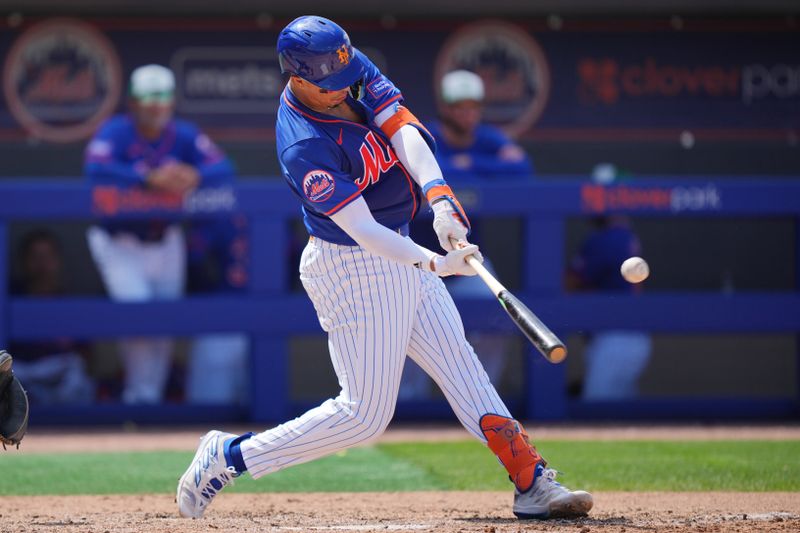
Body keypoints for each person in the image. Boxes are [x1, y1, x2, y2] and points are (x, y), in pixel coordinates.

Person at [176, 16, 592, 521]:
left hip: (399, 245)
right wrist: (436, 263)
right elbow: (362, 230)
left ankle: (531, 481)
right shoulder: (301, 142)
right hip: (353, 265)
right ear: (298, 77)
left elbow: (404, 130)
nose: (340, 87)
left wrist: (439, 200)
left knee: (463, 371)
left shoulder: (348, 65)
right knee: (364, 417)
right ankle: (228, 456)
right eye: (326, 83)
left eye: (342, 75)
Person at [84, 64, 236, 404]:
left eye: (163, 99)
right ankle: (140, 398)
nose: (156, 107)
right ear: (133, 103)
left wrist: (191, 174)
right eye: (149, 100)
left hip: (166, 239)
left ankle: (148, 400)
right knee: (138, 314)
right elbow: (96, 168)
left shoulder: (182, 134)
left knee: (165, 322)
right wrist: (147, 178)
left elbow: (224, 168)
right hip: (119, 240)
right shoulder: (116, 131)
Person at [400, 70, 534, 399]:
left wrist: (469, 161)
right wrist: (475, 166)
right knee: (406, 341)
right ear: (445, 108)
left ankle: (481, 398)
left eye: (472, 106)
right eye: (458, 106)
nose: (466, 113)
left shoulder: (486, 138)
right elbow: (439, 169)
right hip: (417, 262)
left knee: (496, 316)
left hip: (464, 261)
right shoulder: (425, 134)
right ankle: (408, 410)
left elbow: (521, 167)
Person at [566, 165, 653, 399]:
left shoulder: (607, 238)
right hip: (630, 338)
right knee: (620, 415)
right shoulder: (626, 235)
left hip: (615, 340)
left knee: (595, 413)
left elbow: (572, 284)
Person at [8, 230, 94, 405]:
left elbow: (86, 357)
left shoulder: (69, 304)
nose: (41, 264)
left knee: (77, 375)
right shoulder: (10, 299)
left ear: (58, 261)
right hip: (22, 374)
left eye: (47, 256)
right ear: (23, 261)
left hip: (57, 376)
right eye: (35, 256)